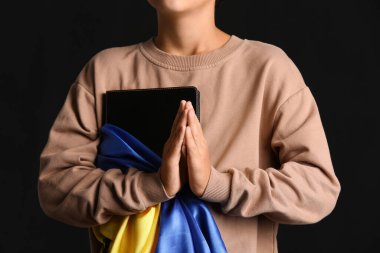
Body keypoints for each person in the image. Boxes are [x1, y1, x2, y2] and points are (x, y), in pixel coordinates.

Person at [38, 0, 341, 252]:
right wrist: (152, 185)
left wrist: (216, 184)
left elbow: (318, 190)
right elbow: (56, 188)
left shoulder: (269, 70)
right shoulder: (104, 71)